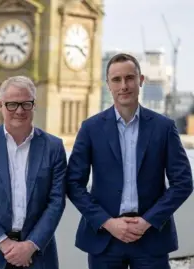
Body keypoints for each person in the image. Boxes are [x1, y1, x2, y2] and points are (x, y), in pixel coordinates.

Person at [66, 53, 193, 269]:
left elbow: (183, 183)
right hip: (105, 240)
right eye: (116, 80)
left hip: (151, 239)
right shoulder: (90, 128)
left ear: (140, 80)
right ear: (108, 85)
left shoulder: (164, 127)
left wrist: (147, 221)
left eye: (129, 78)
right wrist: (107, 222)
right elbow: (73, 183)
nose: (123, 85)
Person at [0, 76, 67, 269]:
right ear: (1, 105)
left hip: (37, 256)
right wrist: (4, 242)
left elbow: (56, 201)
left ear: (34, 105)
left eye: (26, 104)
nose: (19, 110)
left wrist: (30, 246)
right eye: (12, 105)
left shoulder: (54, 147)